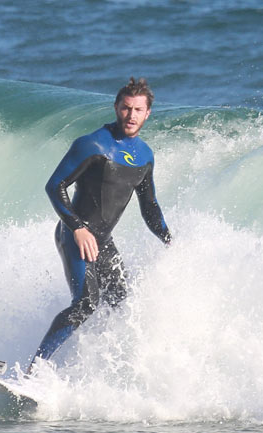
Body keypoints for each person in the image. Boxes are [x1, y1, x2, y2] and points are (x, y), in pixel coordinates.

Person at [29, 77, 171, 371]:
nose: (131, 116)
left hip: (103, 240)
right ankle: (34, 370)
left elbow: (150, 207)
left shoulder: (145, 155)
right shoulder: (92, 144)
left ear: (148, 114)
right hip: (75, 235)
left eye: (137, 110)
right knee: (85, 303)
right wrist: (77, 228)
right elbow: (55, 186)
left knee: (122, 303)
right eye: (125, 108)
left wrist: (171, 242)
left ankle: (91, 369)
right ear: (116, 107)